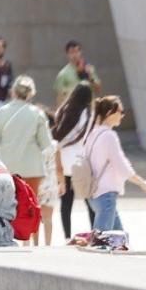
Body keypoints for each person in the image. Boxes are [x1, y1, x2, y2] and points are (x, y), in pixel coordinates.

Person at [0, 76, 53, 243]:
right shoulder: (37, 114)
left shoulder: (0, 113)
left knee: (7, 205)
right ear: (31, 93)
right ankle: (32, 240)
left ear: (13, 91)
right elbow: (45, 143)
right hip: (32, 168)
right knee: (32, 205)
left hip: (7, 167)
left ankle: (8, 238)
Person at [78, 95, 146, 234]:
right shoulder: (109, 136)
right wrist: (141, 182)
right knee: (102, 242)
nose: (122, 116)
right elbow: (121, 165)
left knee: (120, 240)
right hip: (106, 195)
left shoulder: (93, 133)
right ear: (110, 112)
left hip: (94, 193)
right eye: (121, 112)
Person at [52, 82, 96, 237]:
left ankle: (67, 236)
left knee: (66, 203)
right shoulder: (89, 115)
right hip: (81, 162)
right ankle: (93, 234)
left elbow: (56, 136)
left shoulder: (62, 111)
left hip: (63, 162)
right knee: (89, 201)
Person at [53, 40, 100, 108]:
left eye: (77, 51)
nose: (75, 55)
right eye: (71, 52)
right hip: (72, 111)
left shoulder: (89, 68)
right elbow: (59, 97)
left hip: (89, 109)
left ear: (81, 52)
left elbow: (97, 89)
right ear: (67, 54)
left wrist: (90, 77)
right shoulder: (63, 74)